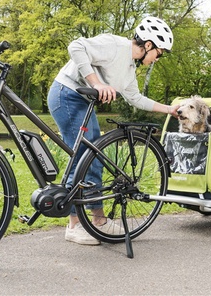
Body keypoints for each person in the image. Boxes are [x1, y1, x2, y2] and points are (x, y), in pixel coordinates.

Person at [47, 16, 179, 245]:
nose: (159, 58)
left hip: (81, 103)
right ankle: (74, 225)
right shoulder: (115, 45)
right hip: (66, 95)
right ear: (148, 45)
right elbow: (76, 46)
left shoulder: (128, 69)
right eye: (160, 52)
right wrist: (96, 82)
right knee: (81, 159)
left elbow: (136, 98)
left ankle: (99, 220)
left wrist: (169, 110)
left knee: (93, 157)